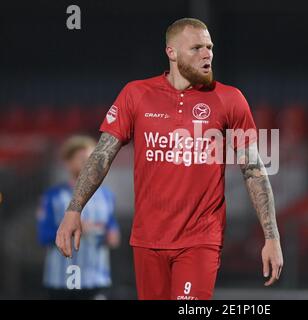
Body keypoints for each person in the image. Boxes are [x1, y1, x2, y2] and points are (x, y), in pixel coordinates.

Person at [55, 18, 283, 300]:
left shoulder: (229, 99)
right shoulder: (136, 94)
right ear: (171, 52)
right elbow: (102, 155)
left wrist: (271, 237)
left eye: (210, 47)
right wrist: (74, 209)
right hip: (147, 240)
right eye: (197, 47)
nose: (207, 54)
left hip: (200, 240)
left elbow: (254, 170)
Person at [37, 135, 120, 299]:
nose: (88, 163)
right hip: (62, 281)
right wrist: (73, 229)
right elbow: (44, 236)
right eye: (82, 159)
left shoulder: (106, 196)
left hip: (96, 279)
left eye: (91, 159)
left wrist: (111, 236)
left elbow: (112, 230)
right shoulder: (53, 197)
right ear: (68, 162)